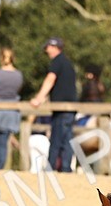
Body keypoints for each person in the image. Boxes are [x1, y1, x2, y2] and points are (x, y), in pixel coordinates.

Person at [29, 37, 78, 172]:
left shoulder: (57, 62)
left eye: (48, 47)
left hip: (61, 108)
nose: (47, 50)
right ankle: (66, 168)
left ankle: (50, 168)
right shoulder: (67, 63)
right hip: (70, 108)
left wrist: (38, 98)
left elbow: (50, 79)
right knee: (67, 139)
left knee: (56, 139)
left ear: (55, 47)